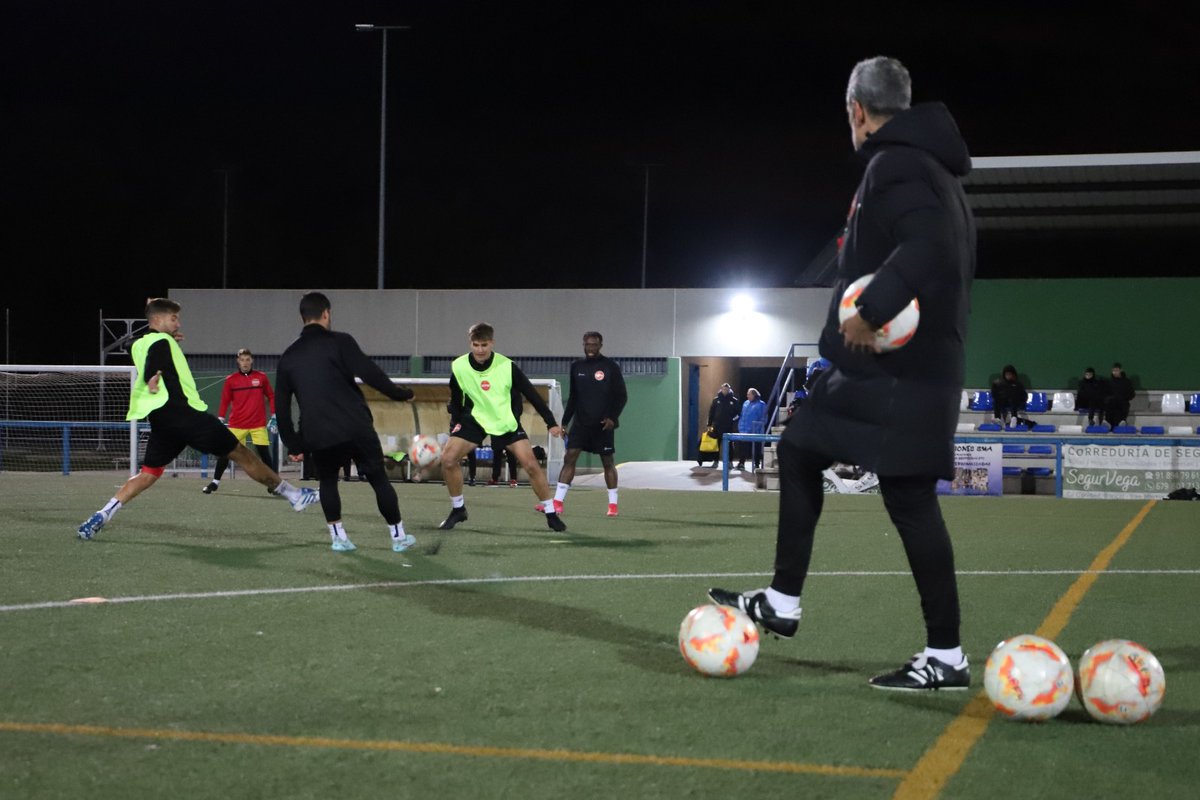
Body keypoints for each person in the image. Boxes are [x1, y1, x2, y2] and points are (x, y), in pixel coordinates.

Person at [709, 56, 975, 691]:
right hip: (903, 370)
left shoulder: (900, 164)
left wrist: (872, 310)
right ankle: (784, 601)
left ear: (857, 110)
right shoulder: (929, 167)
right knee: (802, 448)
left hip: (897, 373)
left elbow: (930, 246)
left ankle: (945, 654)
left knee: (901, 496)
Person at [77, 298, 318, 539]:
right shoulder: (161, 343)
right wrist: (153, 375)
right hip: (186, 416)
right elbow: (156, 360)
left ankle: (102, 514)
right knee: (241, 453)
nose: (178, 323)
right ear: (158, 320)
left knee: (148, 474)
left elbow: (137, 344)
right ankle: (294, 496)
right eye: (173, 318)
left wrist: (166, 341)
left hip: (161, 421)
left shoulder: (139, 344)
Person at [274, 292, 416, 553]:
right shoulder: (341, 341)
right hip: (355, 425)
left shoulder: (288, 357)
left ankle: (338, 538)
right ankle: (398, 537)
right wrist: (401, 394)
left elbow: (281, 407)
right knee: (377, 478)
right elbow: (370, 373)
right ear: (326, 314)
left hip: (318, 432)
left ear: (302, 317)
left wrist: (293, 443)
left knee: (327, 482)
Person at [437, 322, 566, 532]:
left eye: (484, 345)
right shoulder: (459, 366)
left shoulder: (507, 366)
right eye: (476, 345)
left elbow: (532, 394)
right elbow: (457, 397)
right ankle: (458, 509)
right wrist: (456, 424)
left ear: (492, 343)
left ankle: (551, 513)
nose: (480, 350)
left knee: (531, 465)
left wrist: (550, 422)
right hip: (475, 418)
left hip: (504, 420)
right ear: (470, 343)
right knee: (448, 459)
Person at [547, 331, 628, 517]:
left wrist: (612, 418)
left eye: (594, 345)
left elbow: (621, 396)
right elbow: (574, 397)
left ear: (600, 345)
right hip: (581, 424)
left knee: (608, 462)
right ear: (583, 345)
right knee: (570, 458)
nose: (590, 348)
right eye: (587, 344)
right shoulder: (576, 366)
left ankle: (613, 505)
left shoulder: (610, 367)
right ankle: (557, 503)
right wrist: (565, 422)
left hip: (603, 425)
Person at [202, 348, 276, 494]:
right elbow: (225, 400)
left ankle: (275, 484)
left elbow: (271, 396)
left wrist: (274, 416)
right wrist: (220, 418)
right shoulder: (231, 380)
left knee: (265, 455)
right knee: (225, 452)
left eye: (247, 359)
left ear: (252, 360)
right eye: (242, 360)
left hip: (258, 424)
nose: (245, 363)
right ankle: (215, 483)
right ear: (238, 361)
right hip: (237, 425)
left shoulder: (261, 378)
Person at [705, 383, 740, 468]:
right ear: (721, 389)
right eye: (724, 389)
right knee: (716, 444)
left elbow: (738, 414)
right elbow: (711, 413)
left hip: (729, 427)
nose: (725, 391)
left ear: (729, 390)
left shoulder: (734, 400)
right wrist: (709, 424)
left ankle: (730, 462)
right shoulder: (716, 400)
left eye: (727, 389)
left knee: (730, 445)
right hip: (717, 426)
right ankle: (715, 461)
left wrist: (732, 420)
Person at [735, 387, 768, 470]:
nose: (747, 396)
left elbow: (763, 418)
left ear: (754, 395)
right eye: (747, 394)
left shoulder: (761, 404)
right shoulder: (745, 403)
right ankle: (741, 463)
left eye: (749, 394)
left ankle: (757, 464)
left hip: (755, 430)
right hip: (744, 429)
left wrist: (758, 427)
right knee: (743, 447)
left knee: (756, 447)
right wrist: (740, 425)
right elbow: (742, 415)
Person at [1105, 362, 1135, 428]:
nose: (1115, 372)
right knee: (1109, 404)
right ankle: (1108, 423)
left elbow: (1131, 394)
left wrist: (1123, 397)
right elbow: (1105, 393)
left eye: (1117, 370)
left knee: (1123, 405)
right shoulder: (1109, 382)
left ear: (1121, 370)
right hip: (1112, 402)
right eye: (1113, 371)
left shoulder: (1127, 382)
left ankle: (1122, 422)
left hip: (1122, 401)